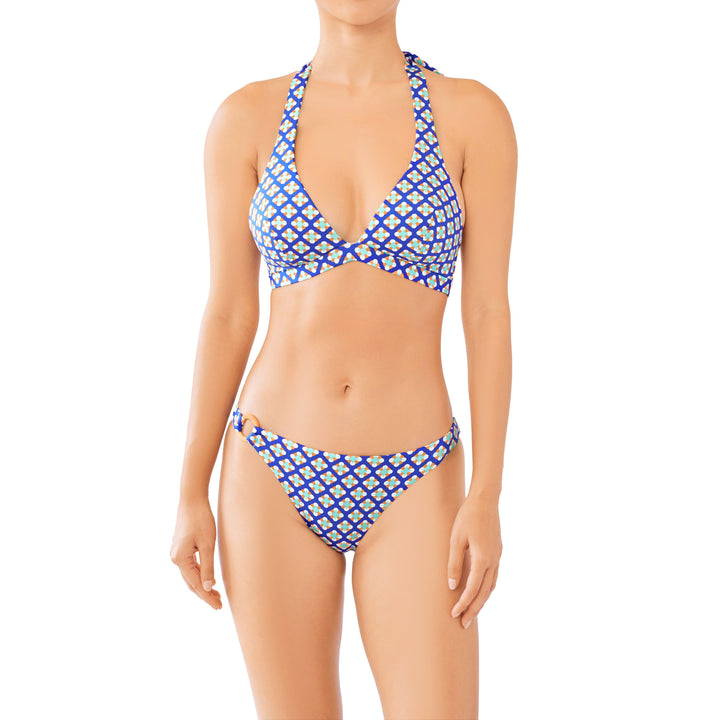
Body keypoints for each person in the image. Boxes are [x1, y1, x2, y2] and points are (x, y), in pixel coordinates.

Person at [170, 1, 517, 717]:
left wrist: (486, 493)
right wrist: (189, 491)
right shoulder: (246, 118)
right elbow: (229, 313)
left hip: (418, 473)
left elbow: (487, 314)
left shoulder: (471, 116)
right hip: (271, 465)